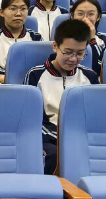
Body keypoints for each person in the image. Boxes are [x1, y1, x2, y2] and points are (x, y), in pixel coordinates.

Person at [24, 19, 98, 174]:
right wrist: (61, 136)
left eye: (80, 53)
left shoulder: (90, 76)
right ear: (55, 46)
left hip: (81, 135)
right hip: (47, 138)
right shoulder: (35, 75)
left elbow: (94, 116)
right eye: (68, 52)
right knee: (52, 155)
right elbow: (31, 118)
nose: (73, 59)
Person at [0, 0, 42, 75]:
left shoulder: (36, 38)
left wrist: (8, 78)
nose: (18, 13)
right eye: (13, 8)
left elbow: (40, 68)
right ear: (1, 12)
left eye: (23, 9)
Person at [71, 0, 106, 75]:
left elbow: (99, 70)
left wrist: (92, 39)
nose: (85, 19)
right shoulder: (64, 39)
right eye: (80, 14)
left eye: (91, 14)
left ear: (98, 17)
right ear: (72, 16)